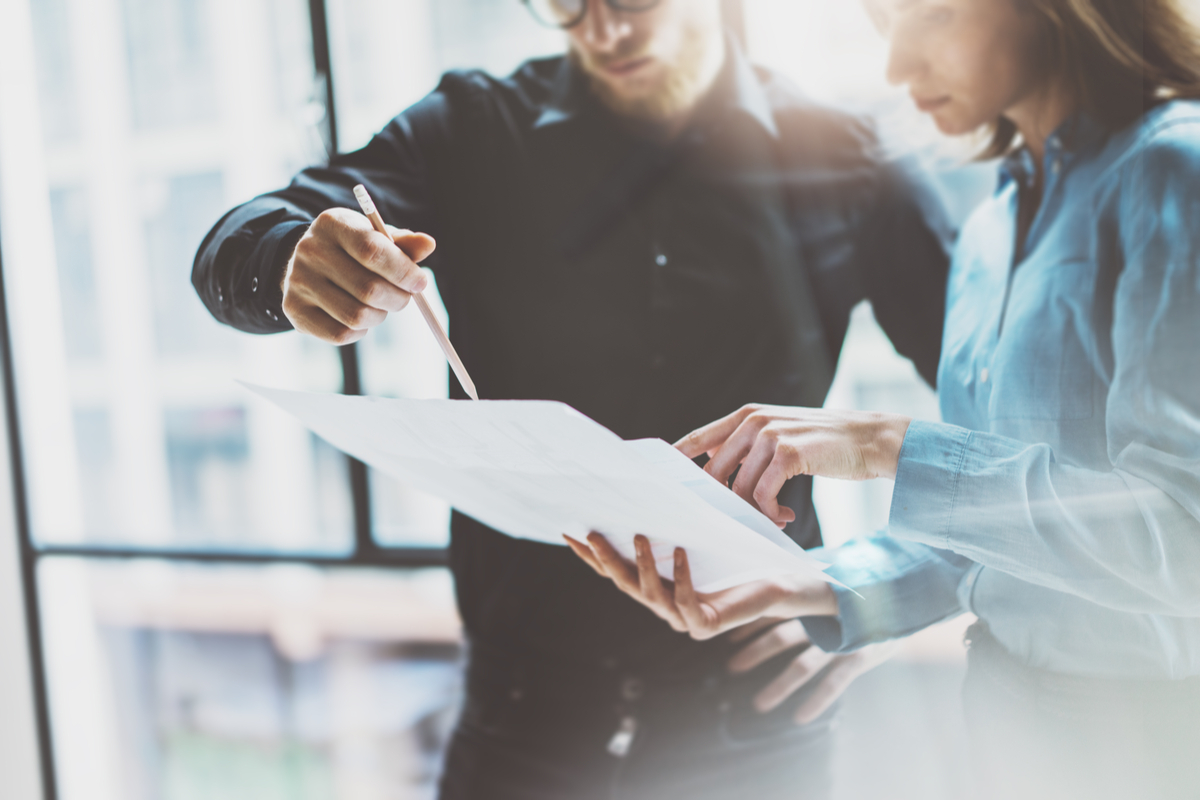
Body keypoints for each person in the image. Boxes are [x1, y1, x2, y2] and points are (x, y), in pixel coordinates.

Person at [193, 0, 952, 796]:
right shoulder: (472, 128)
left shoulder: (848, 158)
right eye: (566, 4)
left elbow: (998, 410)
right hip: (518, 725)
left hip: (757, 726)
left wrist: (890, 595)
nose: (603, 31)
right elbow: (234, 241)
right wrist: (288, 258)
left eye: (632, 1)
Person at [573, 0, 1200, 796]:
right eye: (881, 25)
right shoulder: (992, 227)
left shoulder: (1176, 170)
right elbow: (996, 536)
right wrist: (802, 583)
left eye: (930, 15)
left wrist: (886, 447)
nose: (897, 68)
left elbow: (1185, 539)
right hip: (1006, 723)